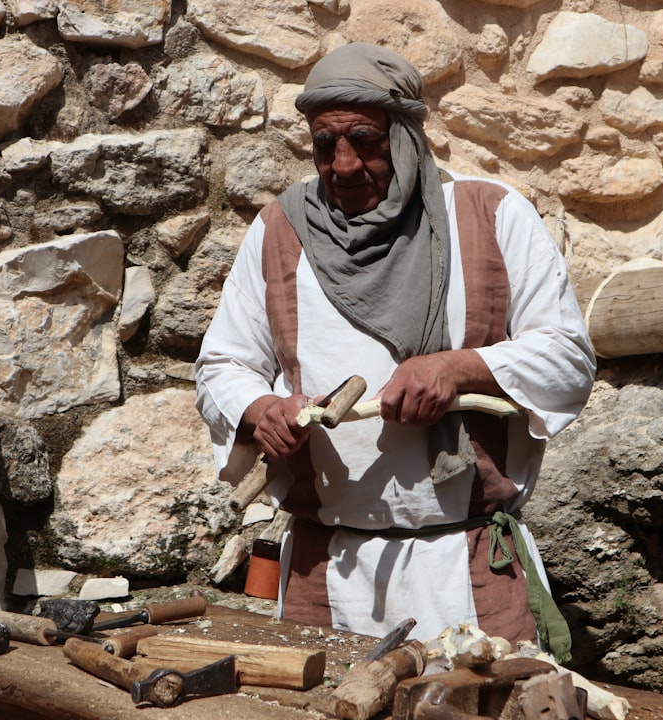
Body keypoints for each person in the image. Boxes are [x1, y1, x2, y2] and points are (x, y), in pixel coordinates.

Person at [195, 42, 596, 662]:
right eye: (325, 144)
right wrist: (258, 409)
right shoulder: (280, 230)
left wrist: (457, 366)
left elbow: (567, 356)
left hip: (462, 572)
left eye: (365, 140)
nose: (344, 165)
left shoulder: (491, 215)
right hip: (324, 571)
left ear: (406, 135)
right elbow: (223, 362)